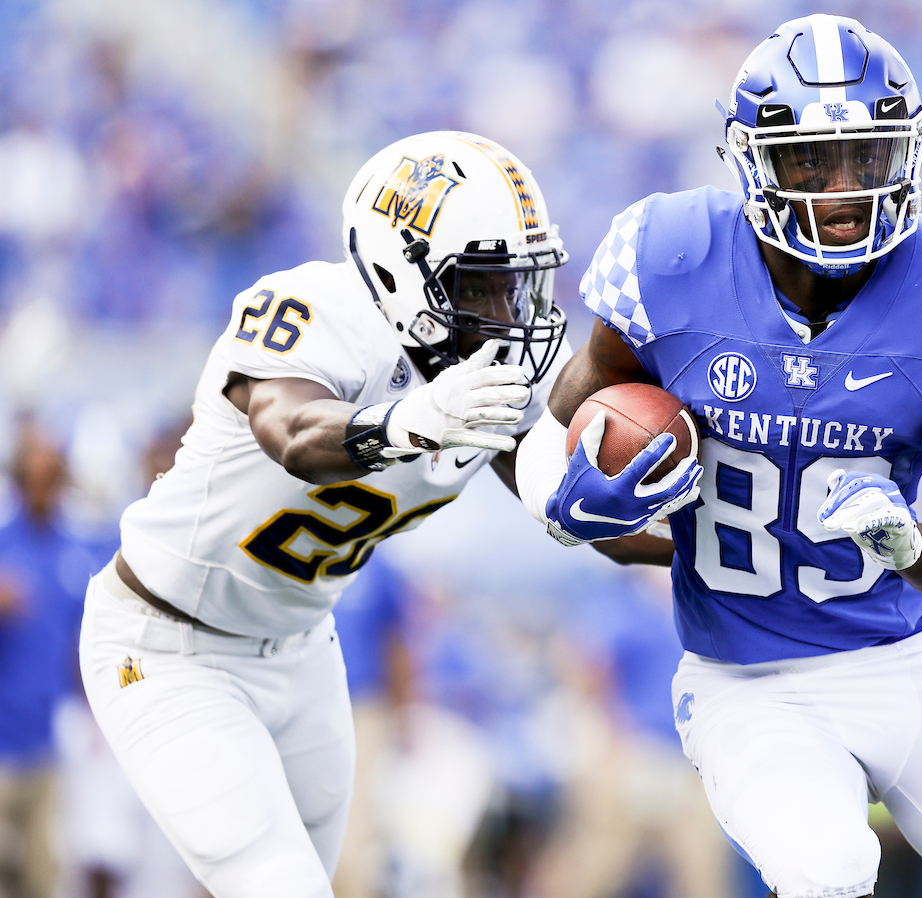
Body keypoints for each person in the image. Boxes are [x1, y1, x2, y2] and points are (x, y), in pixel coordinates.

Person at [515, 15, 922, 898]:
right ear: (755, 162)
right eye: (812, 162)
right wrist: (562, 505)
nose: (842, 190)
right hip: (746, 681)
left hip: (904, 662)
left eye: (865, 160)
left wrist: (907, 544)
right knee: (825, 870)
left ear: (904, 156)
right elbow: (555, 431)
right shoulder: (671, 258)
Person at [79, 130, 668, 898]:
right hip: (166, 645)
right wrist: (403, 422)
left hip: (303, 650)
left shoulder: (483, 371)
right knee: (277, 883)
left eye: (520, 284)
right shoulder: (315, 311)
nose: (510, 311)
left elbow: (576, 510)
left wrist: (718, 541)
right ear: (401, 269)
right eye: (484, 285)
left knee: (322, 880)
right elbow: (291, 433)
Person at [0, 422, 79, 898]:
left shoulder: (76, 549)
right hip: (1, 736)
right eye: (36, 475)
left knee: (42, 873)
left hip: (49, 737)